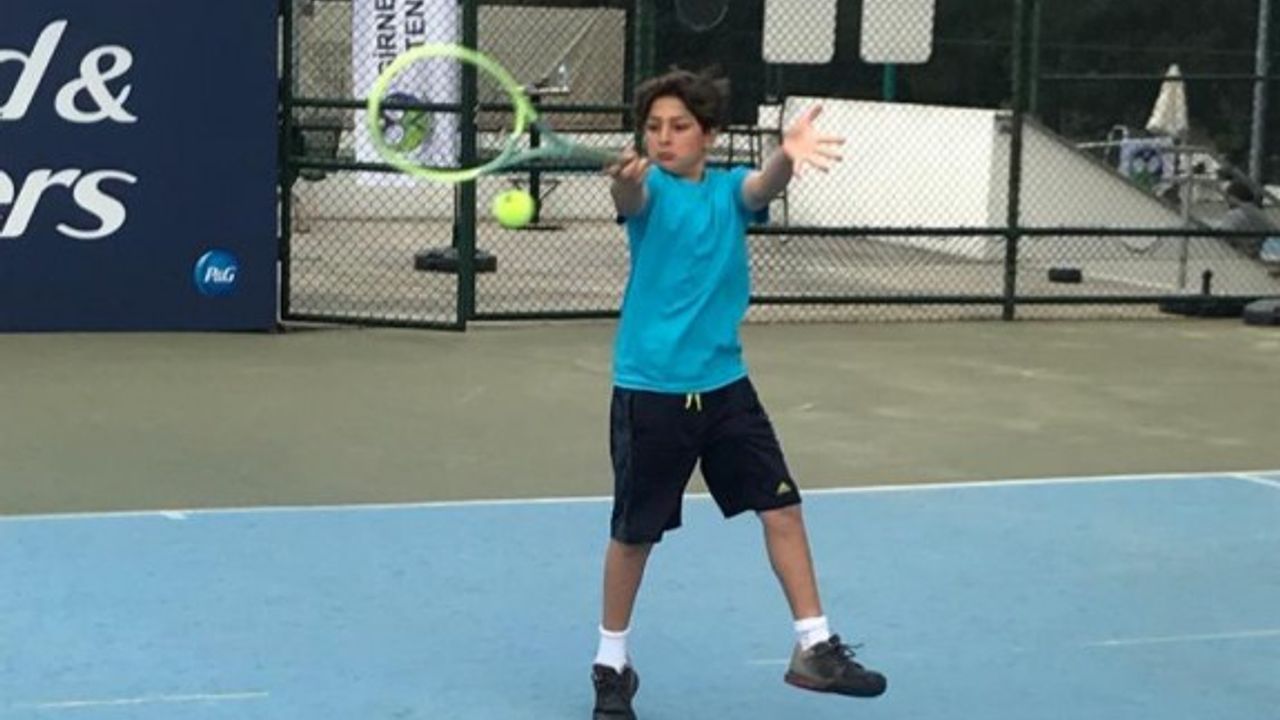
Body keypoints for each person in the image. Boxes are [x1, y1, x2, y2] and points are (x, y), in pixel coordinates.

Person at [589, 68, 887, 720]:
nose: (664, 138)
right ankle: (611, 667)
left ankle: (814, 648)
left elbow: (763, 185)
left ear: (711, 134)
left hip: (725, 388)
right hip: (652, 392)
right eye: (653, 127)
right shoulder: (650, 192)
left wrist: (787, 154)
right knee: (635, 536)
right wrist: (624, 180)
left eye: (679, 126)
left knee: (782, 509)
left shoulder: (729, 192)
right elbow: (629, 199)